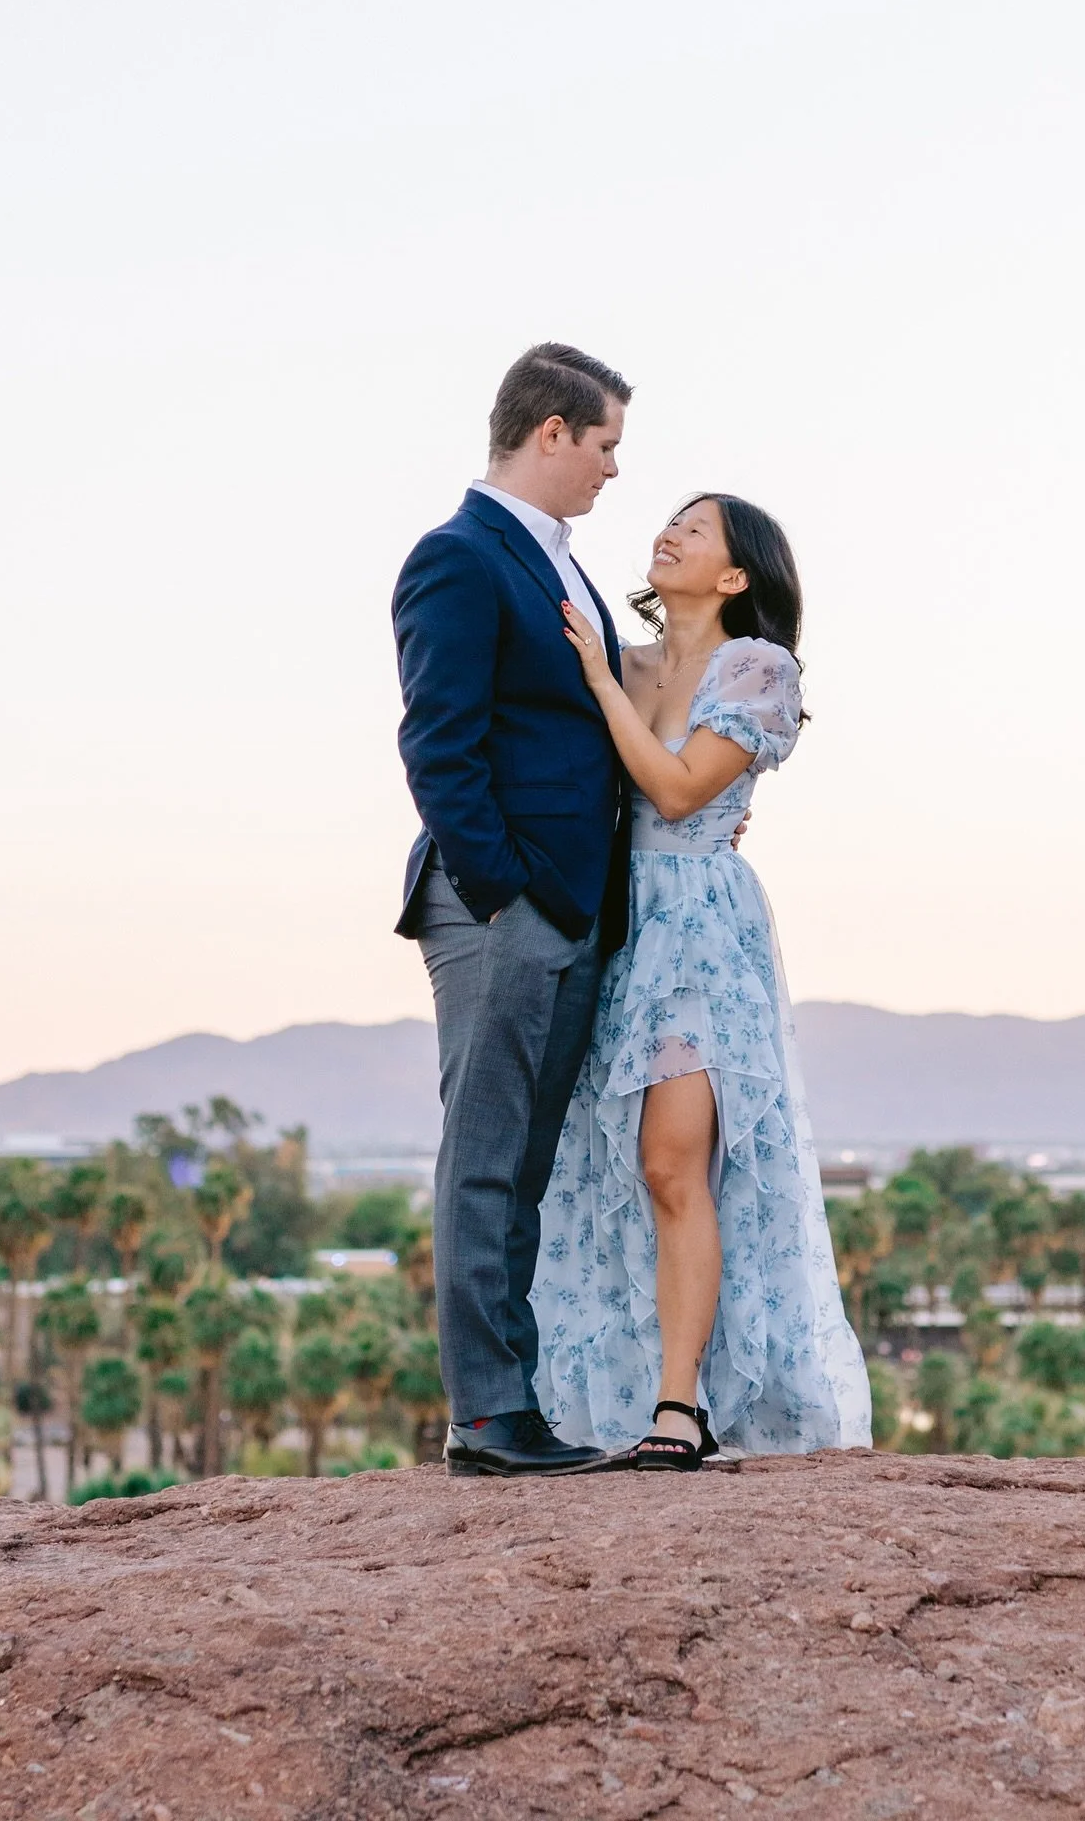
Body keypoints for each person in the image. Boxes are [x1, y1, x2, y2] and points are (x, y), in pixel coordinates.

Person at [531, 493, 872, 1466]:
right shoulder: (621, 655)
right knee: (602, 1173)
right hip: (611, 928)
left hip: (696, 934)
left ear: (735, 576)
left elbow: (678, 789)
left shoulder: (757, 669)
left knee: (671, 1160)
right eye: (671, 520)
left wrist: (600, 685)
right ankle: (619, 1390)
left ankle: (680, 1407)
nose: (670, 531)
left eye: (698, 528)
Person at [391, 342, 633, 1478]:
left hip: (573, 909)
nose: (613, 470)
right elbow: (438, 744)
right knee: (484, 1160)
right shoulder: (458, 558)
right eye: (604, 445)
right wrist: (504, 896)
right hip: (503, 908)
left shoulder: (567, 569)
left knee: (524, 1167)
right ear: (550, 431)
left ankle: (510, 1401)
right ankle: (487, 1415)